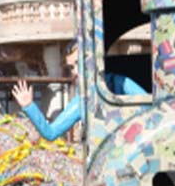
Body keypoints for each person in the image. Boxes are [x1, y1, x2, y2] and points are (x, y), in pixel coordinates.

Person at [10, 43, 145, 142]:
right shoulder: (82, 100)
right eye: (71, 67)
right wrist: (29, 106)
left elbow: (151, 106)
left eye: (77, 63)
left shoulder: (121, 83)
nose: (74, 71)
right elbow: (50, 133)